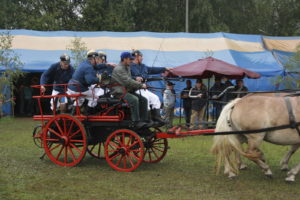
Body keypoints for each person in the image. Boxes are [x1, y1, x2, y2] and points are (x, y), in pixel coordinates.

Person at [110, 52, 149, 129]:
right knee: (134, 99)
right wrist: (140, 85)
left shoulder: (127, 67)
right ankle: (135, 122)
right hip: (119, 92)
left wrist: (137, 82)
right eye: (130, 59)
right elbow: (127, 81)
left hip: (125, 90)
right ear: (124, 59)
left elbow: (129, 80)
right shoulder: (119, 68)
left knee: (144, 100)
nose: (131, 60)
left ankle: (144, 120)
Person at [130, 49, 167, 126]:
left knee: (155, 98)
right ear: (136, 56)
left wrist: (164, 69)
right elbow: (127, 77)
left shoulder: (143, 66)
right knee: (145, 99)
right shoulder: (129, 66)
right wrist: (135, 78)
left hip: (144, 89)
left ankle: (156, 117)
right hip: (135, 89)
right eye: (141, 56)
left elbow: (154, 69)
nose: (142, 58)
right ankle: (147, 119)